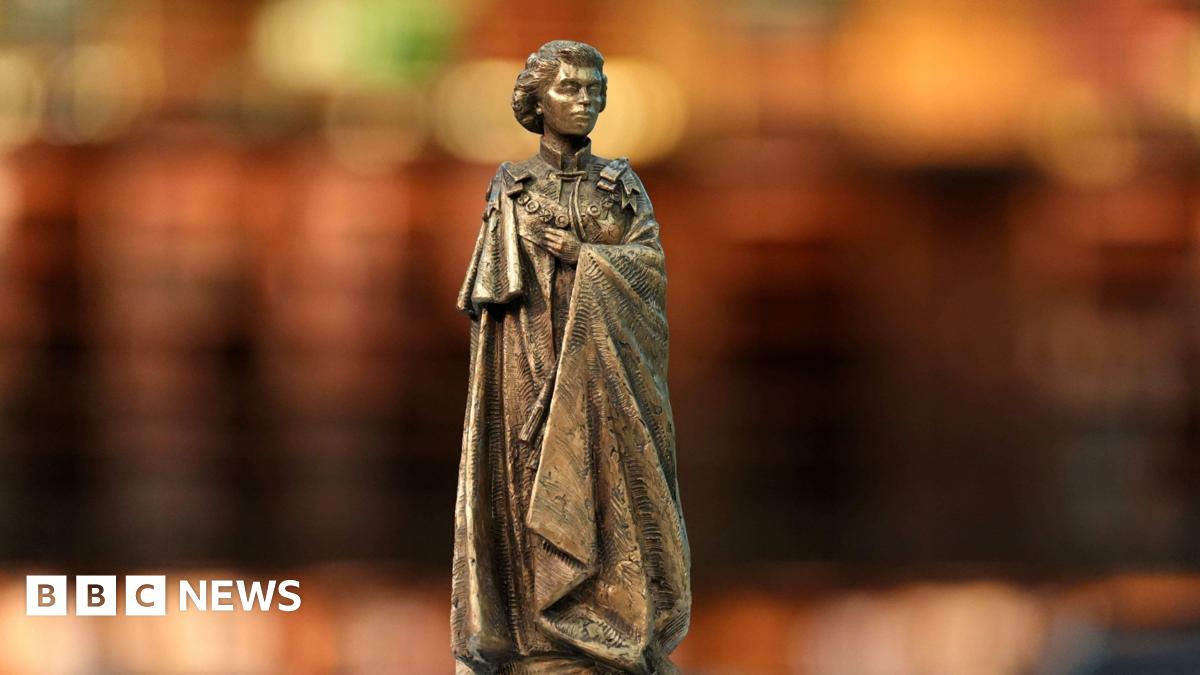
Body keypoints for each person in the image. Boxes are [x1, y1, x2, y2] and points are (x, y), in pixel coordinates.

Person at [451, 40, 691, 674]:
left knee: (613, 491)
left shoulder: (621, 187)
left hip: (608, 378)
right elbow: (493, 296)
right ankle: (536, 637)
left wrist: (585, 259)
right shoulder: (513, 188)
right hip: (529, 370)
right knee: (530, 488)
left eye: (594, 89)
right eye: (569, 88)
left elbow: (649, 272)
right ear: (538, 100)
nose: (584, 100)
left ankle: (614, 626)